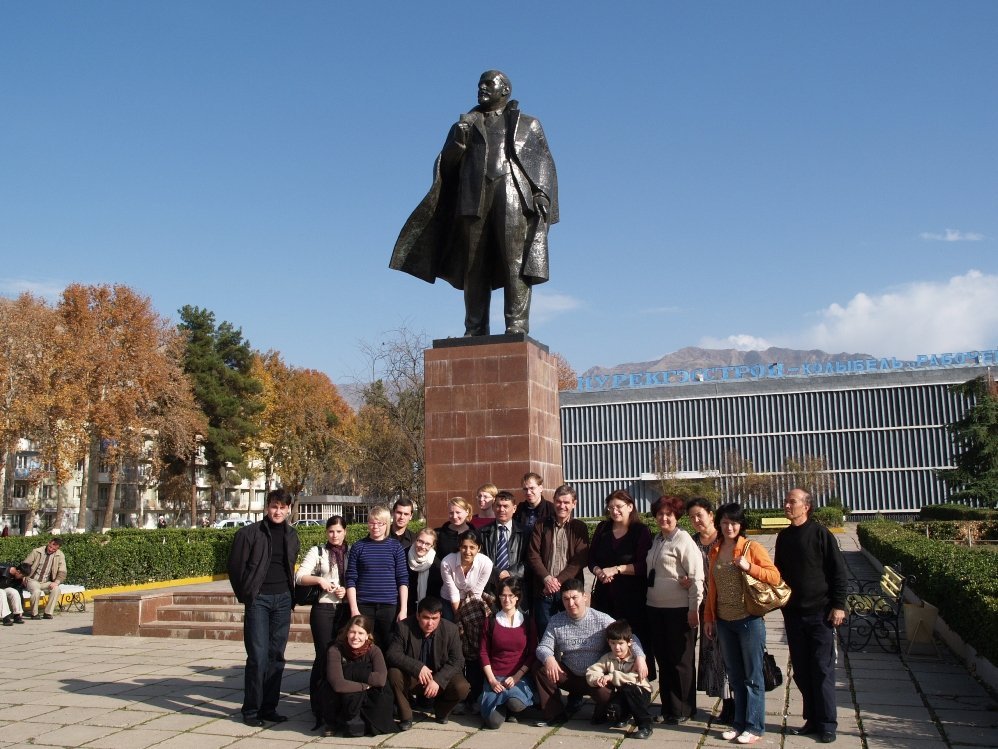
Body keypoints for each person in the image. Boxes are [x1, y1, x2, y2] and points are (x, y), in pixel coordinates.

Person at [391, 69, 558, 337]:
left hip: (512, 193)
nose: (481, 88)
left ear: (505, 90)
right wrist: (457, 142)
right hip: (473, 197)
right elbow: (447, 165)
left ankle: (516, 325)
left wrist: (542, 193)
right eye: (479, 84)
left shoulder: (528, 124)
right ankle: (475, 327)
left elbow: (544, 163)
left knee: (514, 261)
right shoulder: (463, 125)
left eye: (488, 83)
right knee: (474, 264)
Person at [703, 503, 782, 745]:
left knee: (753, 677)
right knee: (735, 676)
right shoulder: (715, 550)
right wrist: (709, 618)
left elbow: (775, 577)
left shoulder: (751, 547)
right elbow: (711, 588)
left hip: (749, 620)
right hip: (724, 622)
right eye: (725, 522)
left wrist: (750, 567)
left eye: (734, 522)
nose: (729, 527)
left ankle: (754, 726)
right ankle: (738, 724)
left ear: (741, 525)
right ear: (719, 523)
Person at [775, 488, 848, 745]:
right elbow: (779, 575)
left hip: (820, 615)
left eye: (792, 501)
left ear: (806, 506)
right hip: (793, 615)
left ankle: (828, 724)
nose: (787, 505)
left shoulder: (820, 534)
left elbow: (838, 572)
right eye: (786, 501)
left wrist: (839, 605)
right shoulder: (783, 537)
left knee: (822, 669)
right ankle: (813, 719)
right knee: (802, 672)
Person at [227, 488, 300, 726]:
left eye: (282, 507)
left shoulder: (292, 535)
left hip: (283, 600)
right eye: (274, 506)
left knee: (276, 656)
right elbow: (236, 569)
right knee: (258, 657)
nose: (278, 511)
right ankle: (251, 710)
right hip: (259, 600)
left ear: (289, 509)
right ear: (267, 507)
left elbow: (290, 565)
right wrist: (247, 595)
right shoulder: (249, 534)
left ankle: (269, 707)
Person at [533, 578, 648, 727]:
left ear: (585, 597)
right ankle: (556, 714)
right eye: (566, 599)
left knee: (603, 711)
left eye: (575, 598)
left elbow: (630, 637)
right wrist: (549, 658)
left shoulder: (601, 619)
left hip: (596, 677)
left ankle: (615, 709)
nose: (571, 603)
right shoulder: (556, 621)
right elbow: (543, 647)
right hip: (570, 675)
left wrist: (640, 657)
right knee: (540, 667)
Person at [645, 495, 703, 724]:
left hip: (679, 610)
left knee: (681, 661)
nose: (664, 518)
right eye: (660, 514)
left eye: (668, 514)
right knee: (664, 660)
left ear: (676, 516)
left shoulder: (683, 540)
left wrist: (693, 608)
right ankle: (668, 707)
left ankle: (684, 709)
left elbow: (697, 577)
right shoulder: (657, 539)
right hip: (655, 608)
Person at [588, 489, 653, 677]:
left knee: (634, 640)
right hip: (605, 596)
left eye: (619, 507)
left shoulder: (641, 531)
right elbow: (592, 559)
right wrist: (599, 571)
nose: (614, 511)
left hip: (632, 598)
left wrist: (617, 569)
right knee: (607, 640)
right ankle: (609, 683)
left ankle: (637, 684)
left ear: (630, 507)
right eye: (610, 507)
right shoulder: (602, 529)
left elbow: (644, 565)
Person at [295, 515, 349, 727]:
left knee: (342, 656)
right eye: (331, 531)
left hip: (345, 609)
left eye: (338, 531)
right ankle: (318, 704)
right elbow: (299, 577)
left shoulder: (352, 551)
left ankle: (338, 700)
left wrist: (346, 589)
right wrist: (319, 580)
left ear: (345, 532)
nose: (334, 535)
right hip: (323, 609)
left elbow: (356, 576)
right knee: (323, 655)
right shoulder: (318, 551)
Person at [387, 596, 471, 730]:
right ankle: (406, 716)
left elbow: (458, 661)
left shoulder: (451, 629)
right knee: (394, 674)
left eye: (434, 618)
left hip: (439, 677)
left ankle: (441, 712)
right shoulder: (403, 627)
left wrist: (438, 680)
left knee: (462, 687)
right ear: (418, 615)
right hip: (414, 678)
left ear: (440, 616)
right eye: (426, 618)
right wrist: (417, 667)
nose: (430, 623)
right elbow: (392, 654)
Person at [685, 497, 733, 723]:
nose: (696, 520)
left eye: (699, 515)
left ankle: (734, 704)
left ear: (711, 515)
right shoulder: (691, 542)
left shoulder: (726, 540)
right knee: (712, 656)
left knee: (728, 656)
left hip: (725, 605)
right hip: (701, 607)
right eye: (692, 517)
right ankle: (724, 703)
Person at [525, 483, 589, 637]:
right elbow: (533, 554)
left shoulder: (579, 527)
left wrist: (557, 582)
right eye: (559, 502)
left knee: (572, 632)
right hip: (544, 590)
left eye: (566, 502)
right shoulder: (541, 524)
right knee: (546, 634)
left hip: (569, 591)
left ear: (574, 504)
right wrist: (547, 579)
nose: (562, 506)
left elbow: (579, 560)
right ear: (553, 501)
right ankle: (548, 662)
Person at [440, 529, 494, 710]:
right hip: (450, 603)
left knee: (472, 646)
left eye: (472, 547)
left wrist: (465, 618)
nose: (468, 551)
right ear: (459, 547)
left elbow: (477, 592)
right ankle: (454, 692)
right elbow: (452, 591)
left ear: (479, 548)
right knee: (453, 643)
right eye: (464, 547)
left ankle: (474, 693)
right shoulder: (447, 562)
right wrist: (458, 618)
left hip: (474, 604)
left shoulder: (486, 563)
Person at [319, 615, 395, 737]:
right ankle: (331, 723)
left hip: (365, 694)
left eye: (361, 633)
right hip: (345, 692)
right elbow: (338, 684)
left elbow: (381, 679)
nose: (356, 637)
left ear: (367, 635)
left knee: (383, 692)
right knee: (328, 688)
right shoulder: (335, 650)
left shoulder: (374, 650)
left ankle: (363, 722)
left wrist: (355, 675)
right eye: (352, 632)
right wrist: (363, 686)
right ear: (347, 632)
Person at [346, 506, 409, 650]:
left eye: (380, 523)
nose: (375, 527)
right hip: (364, 605)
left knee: (389, 646)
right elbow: (351, 579)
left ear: (386, 524)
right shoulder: (358, 546)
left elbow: (402, 579)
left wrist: (403, 609)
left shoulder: (395, 547)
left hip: (389, 606)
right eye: (372, 522)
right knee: (364, 646)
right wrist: (354, 608)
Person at [478, 577, 536, 729]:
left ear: (517, 597)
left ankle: (510, 708)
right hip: (495, 676)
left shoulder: (528, 621)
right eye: (503, 595)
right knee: (493, 723)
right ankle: (490, 701)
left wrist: (517, 677)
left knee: (515, 703)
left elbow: (532, 654)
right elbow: (483, 652)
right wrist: (491, 681)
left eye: (511, 595)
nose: (507, 599)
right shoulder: (490, 621)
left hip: (518, 677)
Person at [585, 620, 653, 740]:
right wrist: (596, 679)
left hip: (640, 692)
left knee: (629, 688)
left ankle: (645, 726)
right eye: (613, 643)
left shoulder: (635, 659)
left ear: (629, 643)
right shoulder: (608, 658)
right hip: (623, 694)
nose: (617, 647)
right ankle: (624, 716)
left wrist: (611, 676)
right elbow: (592, 670)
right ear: (608, 643)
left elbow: (635, 678)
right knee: (613, 708)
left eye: (621, 643)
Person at [478, 490, 529, 596]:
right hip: (490, 588)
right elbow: (479, 559)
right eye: (498, 506)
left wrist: (510, 573)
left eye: (505, 506)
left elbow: (529, 560)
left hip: (517, 587)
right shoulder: (482, 532)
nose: (501, 509)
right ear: (493, 507)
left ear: (514, 509)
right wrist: (497, 573)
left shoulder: (526, 532)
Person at [433, 497, 476, 617]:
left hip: (468, 590)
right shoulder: (439, 534)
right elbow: (435, 558)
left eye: (458, 512)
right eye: (451, 512)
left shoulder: (475, 533)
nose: (454, 516)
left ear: (467, 512)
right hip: (445, 589)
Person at [23, 537, 67, 620]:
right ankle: (34, 614)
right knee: (37, 591)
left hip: (46, 582)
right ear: (48, 543)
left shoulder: (60, 555)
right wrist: (23, 577)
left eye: (54, 549)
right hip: (33, 580)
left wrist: (56, 582)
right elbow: (25, 565)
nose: (51, 550)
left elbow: (62, 571)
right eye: (50, 547)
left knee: (56, 589)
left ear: (58, 549)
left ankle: (48, 613)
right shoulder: (36, 552)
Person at [406, 528, 442, 617]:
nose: (423, 546)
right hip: (404, 609)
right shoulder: (403, 556)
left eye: (427, 544)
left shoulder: (437, 565)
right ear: (415, 540)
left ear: (432, 546)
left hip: (427, 614)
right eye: (420, 541)